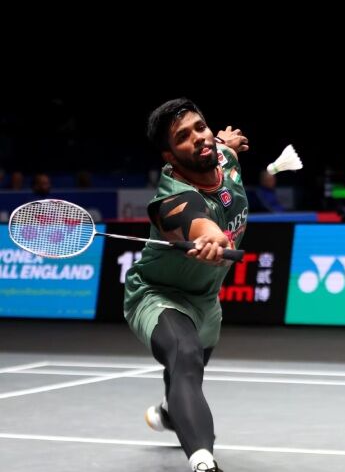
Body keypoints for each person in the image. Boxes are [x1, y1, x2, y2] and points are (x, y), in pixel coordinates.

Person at [123, 98, 250, 472]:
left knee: (187, 373)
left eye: (200, 127)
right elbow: (197, 221)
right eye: (183, 137)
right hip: (158, 294)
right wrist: (212, 237)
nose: (198, 138)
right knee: (186, 354)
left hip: (206, 301)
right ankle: (203, 463)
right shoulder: (171, 200)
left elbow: (222, 147)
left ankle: (170, 410)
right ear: (170, 156)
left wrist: (227, 141)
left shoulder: (221, 157)